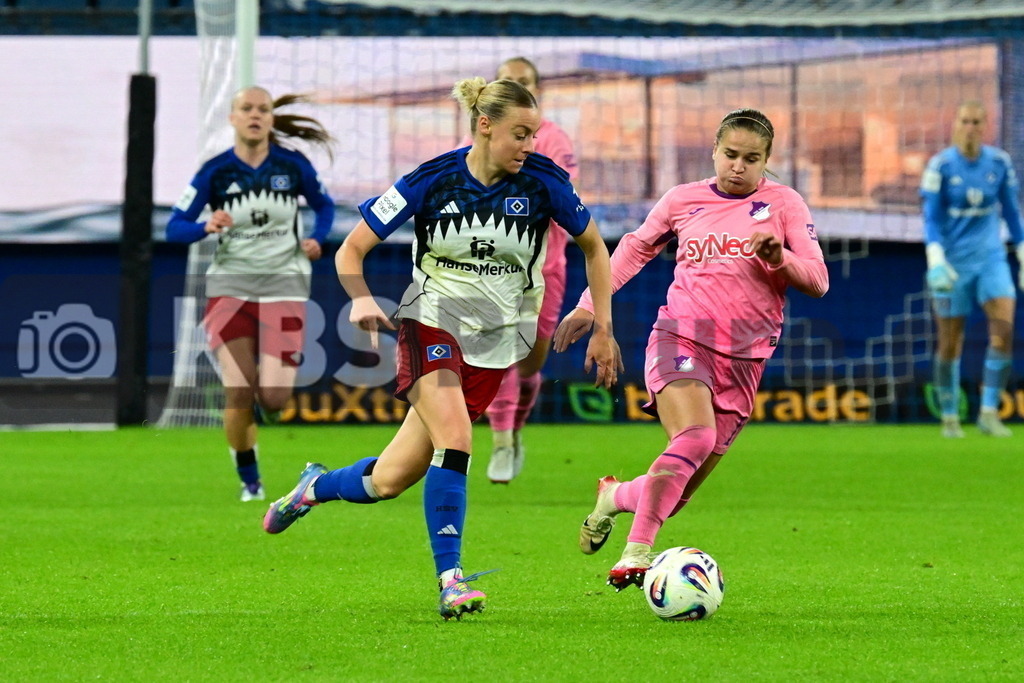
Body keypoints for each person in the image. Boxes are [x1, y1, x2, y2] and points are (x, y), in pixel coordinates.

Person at [262, 76, 621, 620]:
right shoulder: (432, 178)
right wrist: (359, 299)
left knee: (387, 480)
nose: (530, 146)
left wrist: (601, 324)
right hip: (431, 322)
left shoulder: (546, 183)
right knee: (456, 440)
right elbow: (351, 250)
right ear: (484, 125)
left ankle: (313, 488)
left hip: (495, 343)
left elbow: (595, 248)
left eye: (534, 135)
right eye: (519, 135)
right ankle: (451, 581)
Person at [555, 108, 829, 590]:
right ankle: (636, 553)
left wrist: (778, 258)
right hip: (681, 334)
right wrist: (589, 307)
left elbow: (818, 281)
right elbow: (635, 248)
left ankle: (615, 497)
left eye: (751, 158)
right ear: (714, 152)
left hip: (746, 357)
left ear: (767, 160)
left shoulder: (784, 204)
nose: (738, 166)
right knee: (696, 436)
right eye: (730, 154)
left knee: (674, 493)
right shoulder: (684, 200)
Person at [167, 86, 336, 501]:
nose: (255, 115)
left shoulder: (292, 166)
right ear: (233, 117)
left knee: (275, 400)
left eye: (263, 109)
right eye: (247, 108)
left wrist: (317, 237)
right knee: (238, 391)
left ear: (271, 118)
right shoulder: (215, 172)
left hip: (284, 284)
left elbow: (325, 206)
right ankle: (250, 480)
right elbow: (174, 227)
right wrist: (204, 227)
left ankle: (256, 424)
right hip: (230, 288)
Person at [480, 57, 580, 484]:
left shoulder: (554, 140)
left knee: (530, 361)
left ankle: (516, 428)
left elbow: (564, 195)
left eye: (525, 82)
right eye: (509, 82)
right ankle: (500, 442)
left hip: (545, 267)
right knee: (501, 351)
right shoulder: (483, 139)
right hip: (491, 268)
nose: (517, 87)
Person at [920, 99, 1024, 438]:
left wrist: (1022, 252)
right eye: (965, 120)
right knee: (950, 342)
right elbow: (932, 219)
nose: (971, 127)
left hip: (991, 261)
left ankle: (990, 412)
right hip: (951, 267)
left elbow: (1010, 211)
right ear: (956, 124)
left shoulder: (999, 163)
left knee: (1004, 331)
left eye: (977, 122)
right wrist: (936, 261)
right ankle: (950, 416)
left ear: (985, 126)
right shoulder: (940, 167)